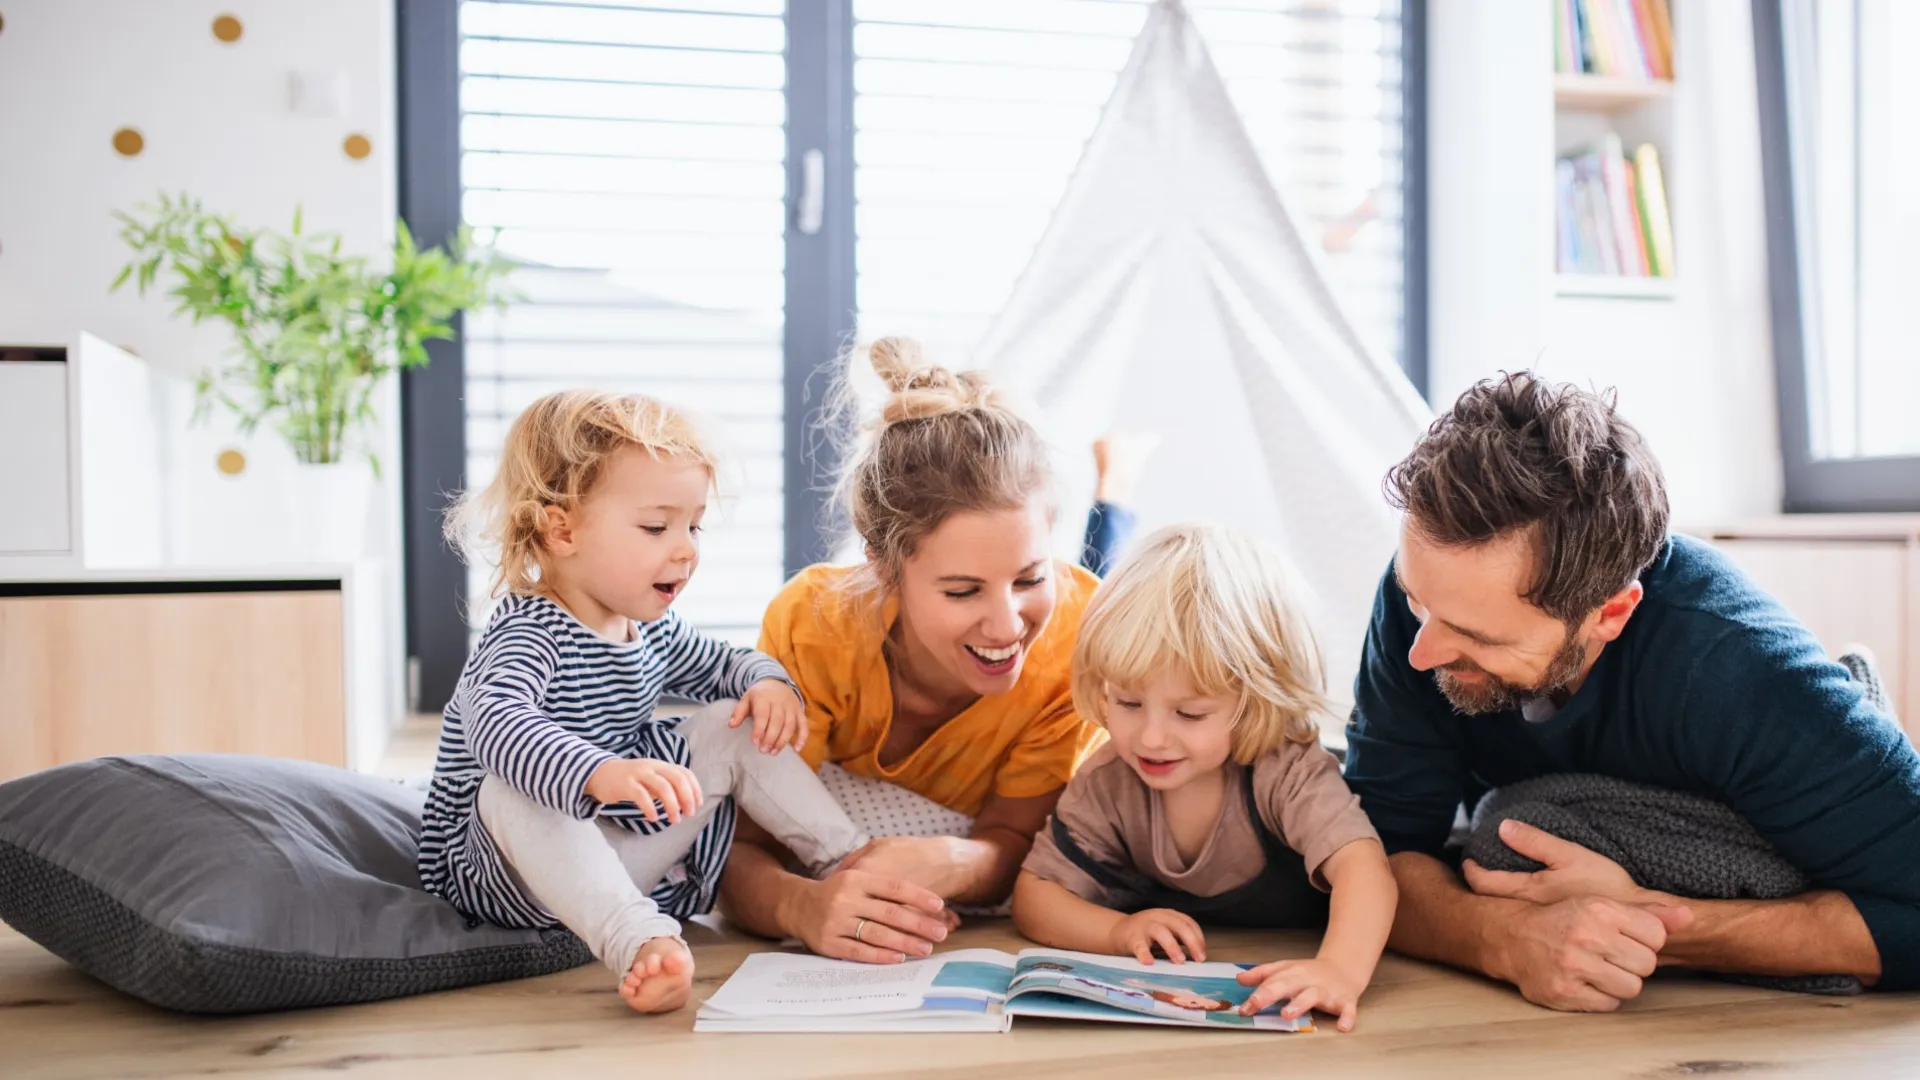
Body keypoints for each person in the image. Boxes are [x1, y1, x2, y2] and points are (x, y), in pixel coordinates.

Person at [1343, 373, 1920, 1012]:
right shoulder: (1428, 601)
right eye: (1418, 603)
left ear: (1611, 613)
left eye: (1477, 636)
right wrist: (1500, 938)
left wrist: (1656, 926)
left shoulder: (1739, 669)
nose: (1421, 654)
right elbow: (1372, 855)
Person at [420, 390, 886, 1014]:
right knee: (509, 787)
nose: (687, 548)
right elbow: (496, 724)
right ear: (561, 530)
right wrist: (598, 772)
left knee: (732, 720)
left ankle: (851, 859)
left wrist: (767, 682)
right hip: (505, 871)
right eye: (656, 526)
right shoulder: (530, 634)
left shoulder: (650, 626)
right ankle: (639, 940)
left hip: (612, 849)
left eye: (693, 526)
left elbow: (724, 664)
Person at [718, 338, 1146, 964]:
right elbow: (736, 849)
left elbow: (1017, 842)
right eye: (962, 590)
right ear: (887, 571)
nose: (1006, 627)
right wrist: (799, 906)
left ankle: (1121, 480)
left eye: (1030, 578)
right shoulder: (815, 627)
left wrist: (956, 859)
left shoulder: (1074, 640)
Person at [1011, 524, 1397, 1032]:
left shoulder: (1285, 769)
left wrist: (1338, 969)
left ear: (1256, 703)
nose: (1150, 738)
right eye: (1127, 702)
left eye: (1189, 714)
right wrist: (1118, 931)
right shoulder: (1109, 779)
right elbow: (1035, 895)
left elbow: (1366, 869)